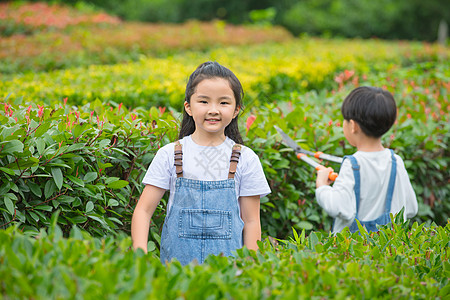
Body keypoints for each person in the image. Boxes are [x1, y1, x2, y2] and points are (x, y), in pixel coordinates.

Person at [131, 61, 271, 265]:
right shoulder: (170, 154)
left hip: (229, 273)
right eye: (204, 101)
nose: (213, 110)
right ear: (188, 107)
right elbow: (143, 211)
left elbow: (251, 222)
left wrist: (250, 267)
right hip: (176, 272)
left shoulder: (246, 159)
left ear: (236, 110)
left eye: (223, 103)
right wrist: (140, 257)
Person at [315, 86, 418, 233]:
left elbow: (338, 206)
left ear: (353, 126)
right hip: (387, 248)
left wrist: (322, 185)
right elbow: (411, 208)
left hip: (350, 252)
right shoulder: (395, 161)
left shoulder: (352, 164)